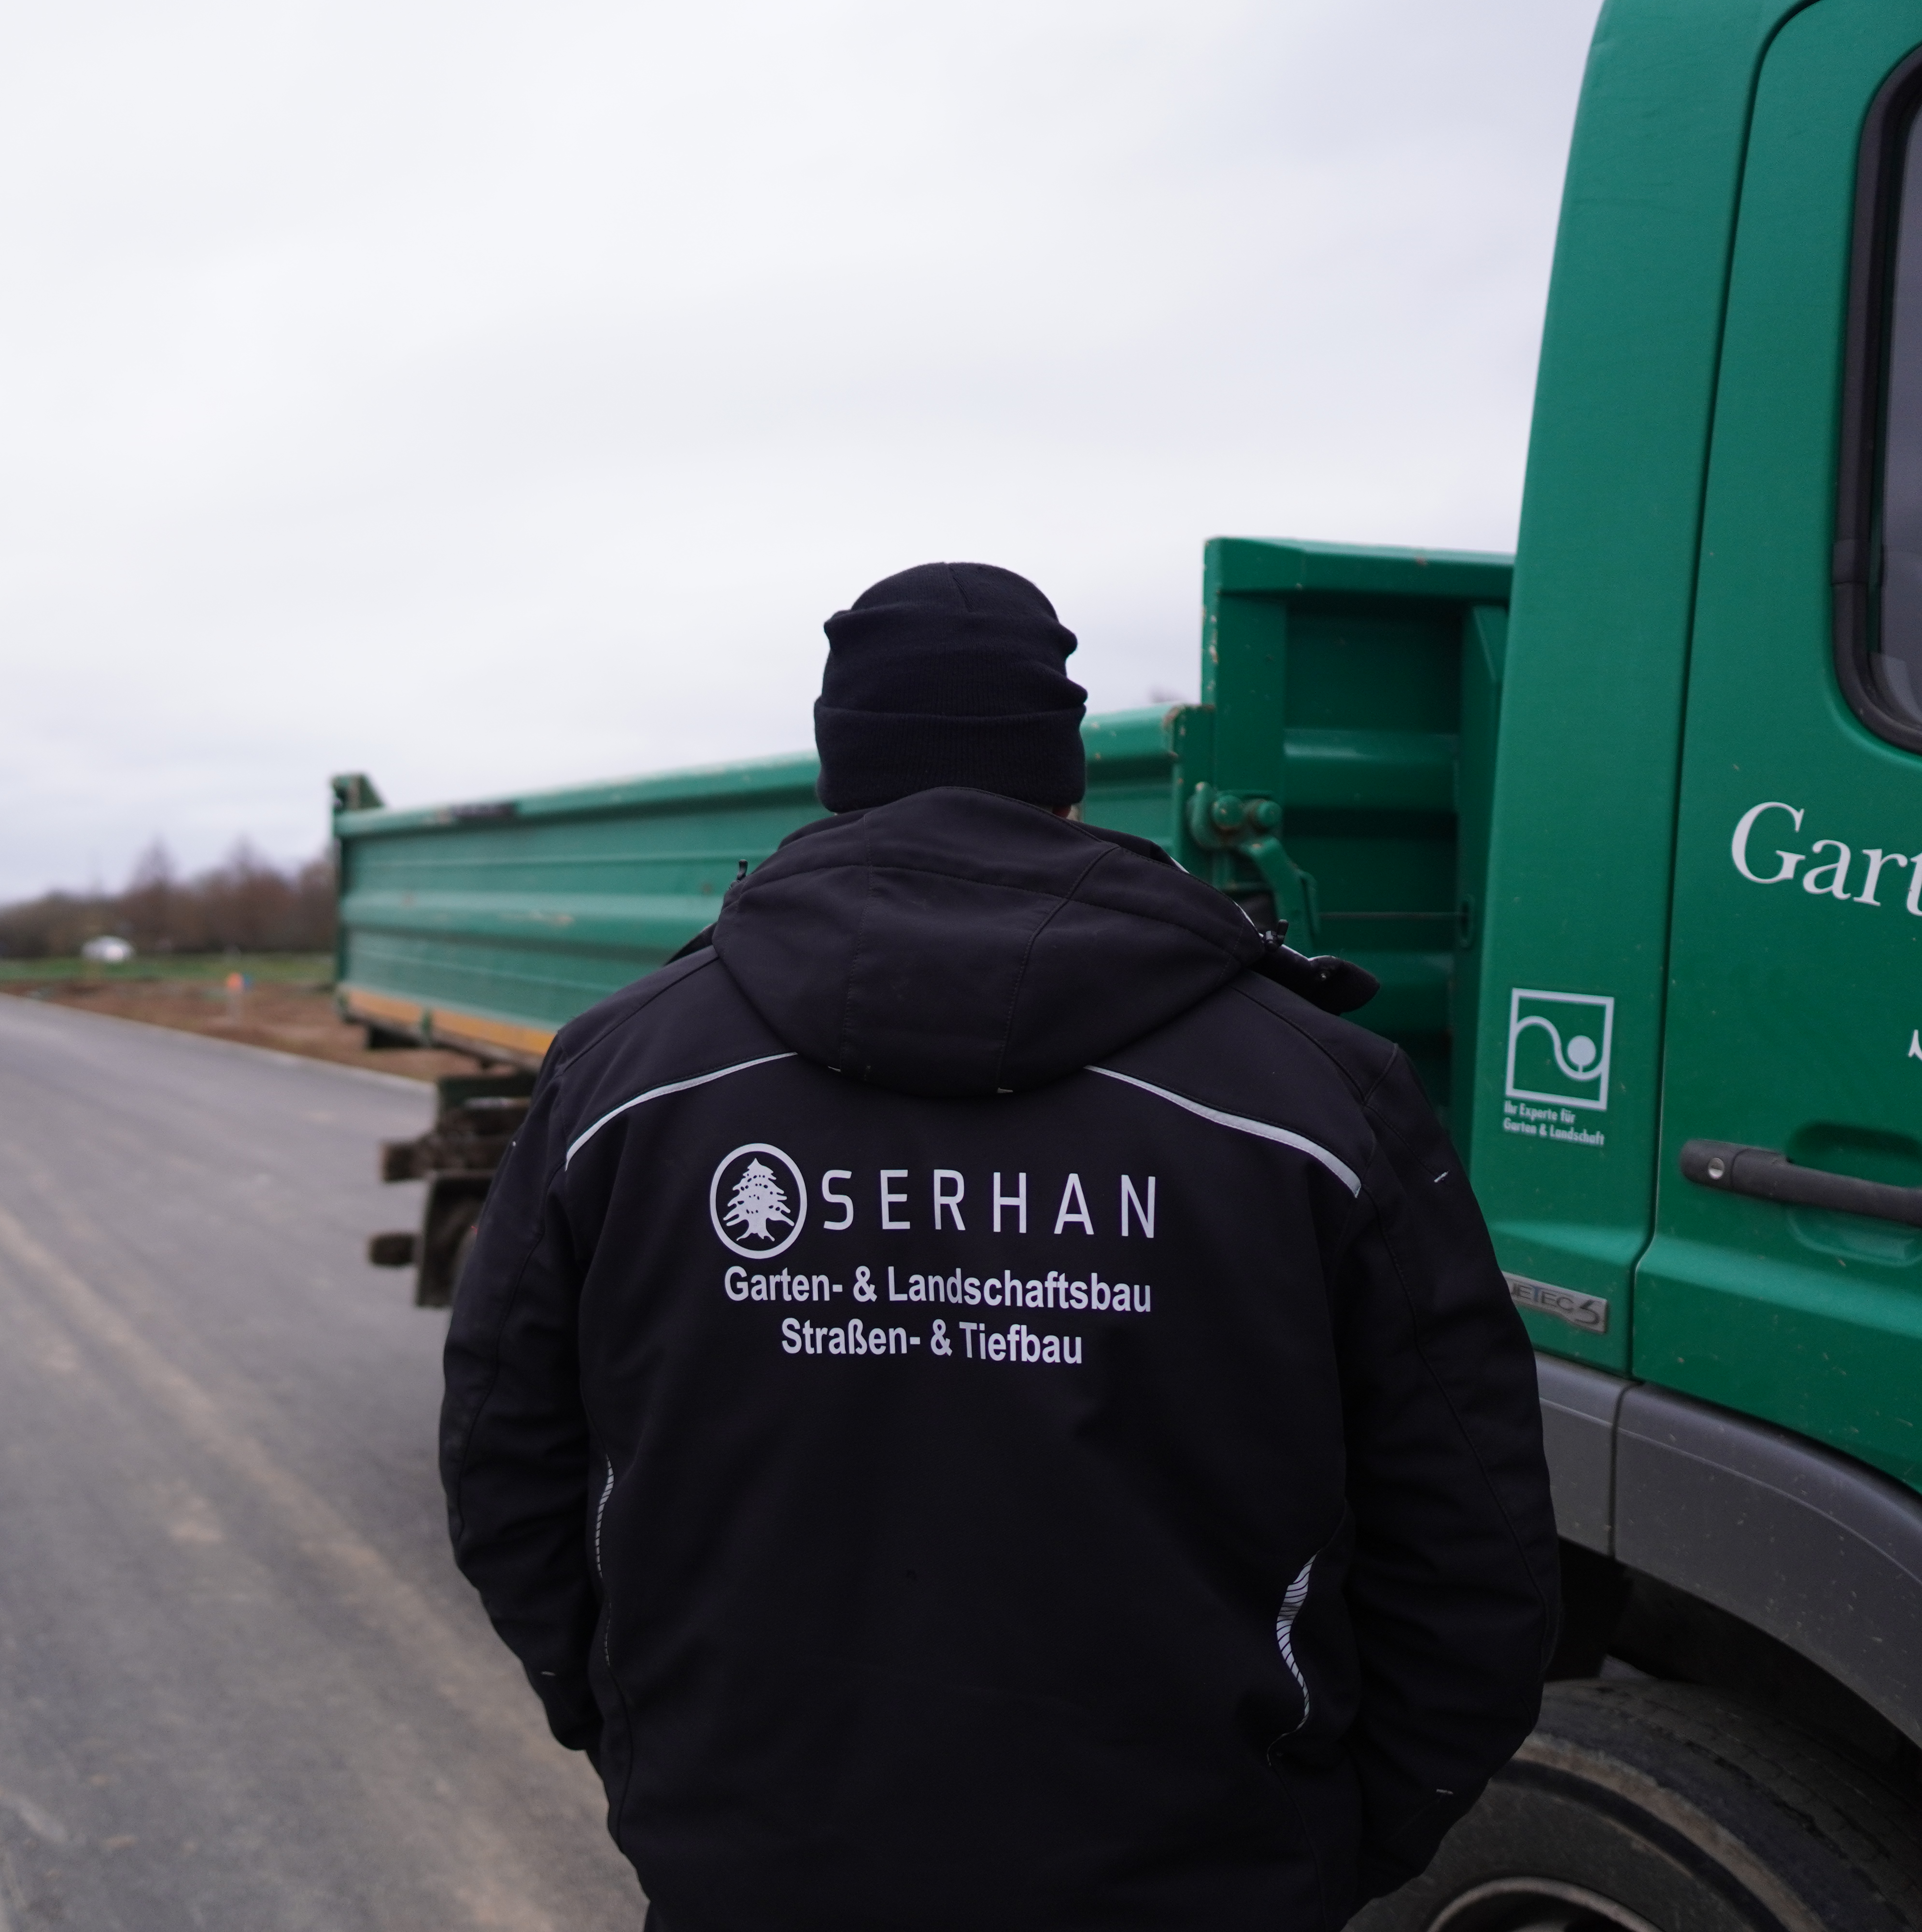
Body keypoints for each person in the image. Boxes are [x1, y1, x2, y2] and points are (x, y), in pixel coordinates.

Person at [438, 562, 1558, 1930]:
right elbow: (1473, 1539)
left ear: (840, 770)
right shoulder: (1315, 1090)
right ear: (1065, 775)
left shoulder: (625, 1073)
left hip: (755, 1863)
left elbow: (505, 1466)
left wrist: (655, 1756)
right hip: (1202, 1879)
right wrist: (1328, 1838)